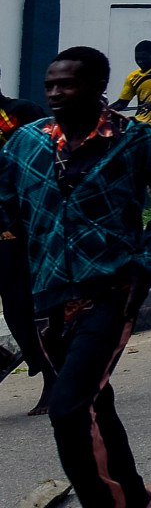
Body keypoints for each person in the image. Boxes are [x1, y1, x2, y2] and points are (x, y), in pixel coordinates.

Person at [0, 48, 151, 508]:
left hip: (111, 290)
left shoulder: (134, 139)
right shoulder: (26, 142)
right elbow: (4, 199)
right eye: (49, 85)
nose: (56, 93)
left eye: (67, 84)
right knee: (94, 402)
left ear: (98, 87)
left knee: (67, 410)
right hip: (47, 294)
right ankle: (134, 493)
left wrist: (148, 262)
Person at [0, 80, 54, 398]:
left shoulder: (22, 112)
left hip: (20, 223)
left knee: (19, 305)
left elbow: (45, 161)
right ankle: (27, 357)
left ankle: (50, 373)